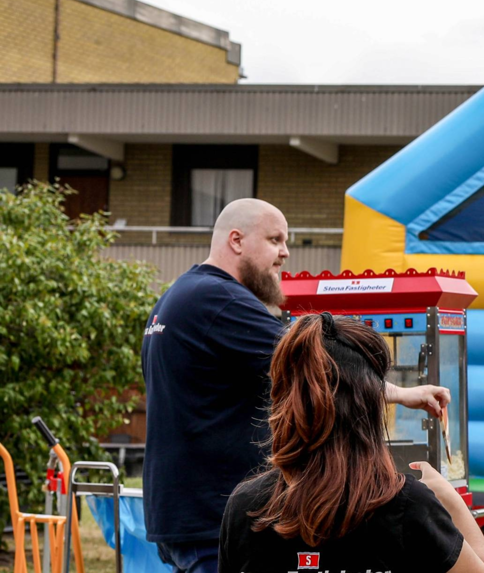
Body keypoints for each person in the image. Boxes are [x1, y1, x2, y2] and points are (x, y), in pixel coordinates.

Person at [144, 198, 450, 573]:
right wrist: (404, 393)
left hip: (184, 514)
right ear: (236, 241)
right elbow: (318, 363)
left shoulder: (179, 295)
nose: (285, 253)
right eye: (275, 240)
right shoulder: (219, 298)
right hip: (215, 513)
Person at [219, 314, 484, 573]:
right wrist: (450, 499)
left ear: (282, 402)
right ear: (371, 411)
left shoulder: (246, 506)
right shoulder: (407, 506)